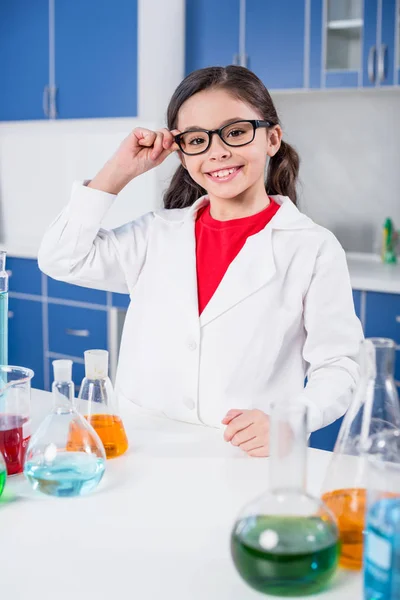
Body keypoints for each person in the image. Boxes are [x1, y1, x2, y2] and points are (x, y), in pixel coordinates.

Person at [38, 66, 363, 457]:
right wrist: (120, 171)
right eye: (197, 139)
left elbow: (339, 363)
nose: (218, 151)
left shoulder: (311, 247)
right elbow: (61, 257)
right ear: (181, 151)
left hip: (243, 459)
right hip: (142, 450)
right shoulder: (155, 234)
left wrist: (295, 417)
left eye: (237, 132)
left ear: (272, 138)